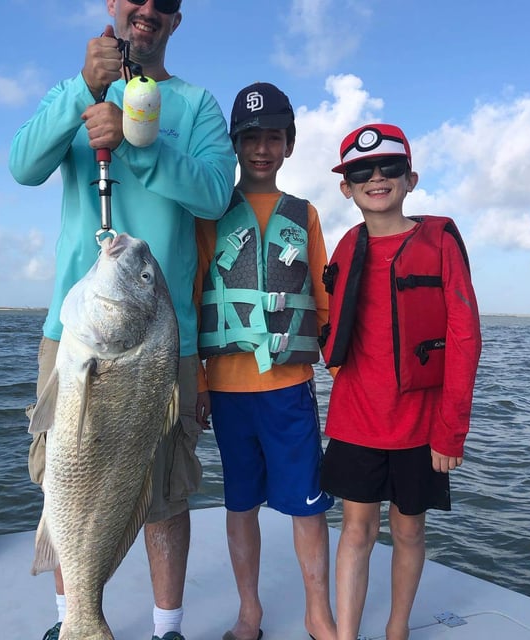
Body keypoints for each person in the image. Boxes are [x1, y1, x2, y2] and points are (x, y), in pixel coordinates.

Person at [9, 1, 236, 639]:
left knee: (164, 490)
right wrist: (84, 90)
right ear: (112, 5)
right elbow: (24, 166)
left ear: (177, 19)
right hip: (77, 336)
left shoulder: (196, 105)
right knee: (67, 478)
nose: (148, 11)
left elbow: (216, 191)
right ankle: (74, 621)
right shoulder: (73, 90)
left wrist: (139, 143)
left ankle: (167, 628)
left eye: (165, 3)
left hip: (168, 340)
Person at [319, 123, 482, 640]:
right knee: (356, 530)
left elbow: (464, 337)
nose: (376, 178)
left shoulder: (440, 241)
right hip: (356, 418)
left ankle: (397, 630)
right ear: (346, 187)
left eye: (389, 168)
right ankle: (346, 635)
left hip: (421, 424)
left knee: (410, 529)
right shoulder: (345, 246)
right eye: (361, 171)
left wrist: (451, 429)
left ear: (410, 179)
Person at [195, 82, 337, 640]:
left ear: (289, 145)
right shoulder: (209, 213)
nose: (261, 148)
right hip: (227, 391)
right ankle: (249, 613)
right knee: (240, 504)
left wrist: (339, 369)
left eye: (273, 137)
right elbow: (192, 292)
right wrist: (199, 380)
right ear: (234, 144)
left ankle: (318, 614)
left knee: (307, 506)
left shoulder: (306, 215)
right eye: (250, 138)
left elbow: (323, 302)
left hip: (290, 388)